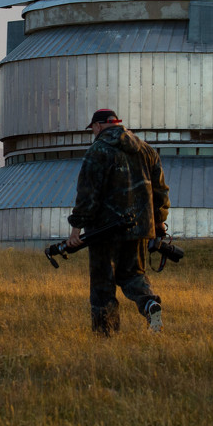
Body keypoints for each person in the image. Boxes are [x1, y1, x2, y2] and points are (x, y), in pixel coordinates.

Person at [67, 109, 170, 335]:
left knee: (103, 285)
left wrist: (76, 228)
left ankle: (107, 336)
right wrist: (159, 222)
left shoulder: (98, 151)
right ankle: (150, 304)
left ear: (100, 126)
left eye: (93, 127)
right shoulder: (146, 150)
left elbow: (88, 193)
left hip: (104, 232)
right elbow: (161, 191)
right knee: (133, 276)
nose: (93, 132)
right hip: (140, 229)